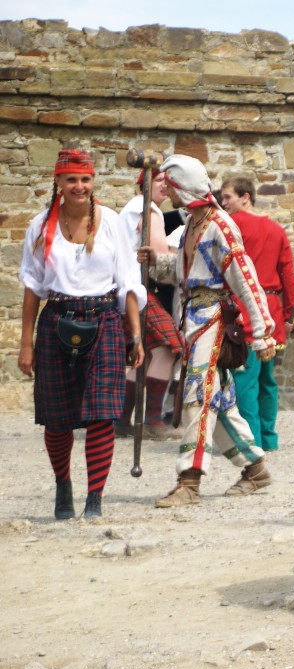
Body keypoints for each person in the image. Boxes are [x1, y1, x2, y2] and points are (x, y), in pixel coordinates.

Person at [138, 154, 277, 508]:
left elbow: (245, 279)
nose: (167, 191)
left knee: (197, 397)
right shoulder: (191, 224)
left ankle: (189, 481)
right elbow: (187, 274)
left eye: (171, 184)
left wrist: (262, 332)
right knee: (217, 400)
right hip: (193, 320)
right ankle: (255, 468)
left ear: (184, 185)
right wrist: (156, 263)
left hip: (213, 319)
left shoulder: (220, 224)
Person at [18, 148, 146, 520]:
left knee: (102, 415)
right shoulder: (40, 226)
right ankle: (63, 486)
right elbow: (31, 288)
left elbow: (128, 282)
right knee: (57, 419)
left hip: (104, 318)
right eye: (72, 179)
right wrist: (26, 344)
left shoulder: (110, 223)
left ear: (93, 182)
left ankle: (95, 497)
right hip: (57, 318)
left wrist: (134, 335)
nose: (79, 186)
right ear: (58, 181)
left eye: (85, 179)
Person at [220, 177, 294, 452]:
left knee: (245, 379)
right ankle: (268, 438)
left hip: (247, 310)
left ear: (246, 197)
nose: (223, 203)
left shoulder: (232, 227)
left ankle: (250, 441)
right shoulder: (277, 229)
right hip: (273, 310)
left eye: (228, 197)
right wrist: (293, 315)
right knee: (267, 380)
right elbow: (288, 276)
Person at [115, 170, 183, 440]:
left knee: (146, 354)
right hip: (137, 288)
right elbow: (160, 258)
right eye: (158, 181)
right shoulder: (148, 209)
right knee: (169, 346)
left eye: (168, 182)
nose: (164, 186)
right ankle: (153, 419)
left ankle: (121, 419)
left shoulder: (132, 208)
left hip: (127, 288)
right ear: (144, 184)